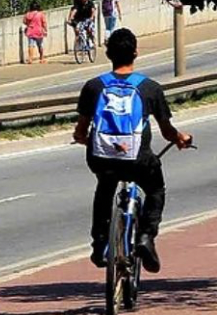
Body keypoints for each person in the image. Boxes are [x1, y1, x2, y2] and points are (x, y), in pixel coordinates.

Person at [73, 28, 192, 273]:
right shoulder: (150, 88)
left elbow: (81, 130)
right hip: (139, 159)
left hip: (102, 157)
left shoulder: (94, 87)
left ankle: (100, 243)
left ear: (108, 54)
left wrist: (85, 140)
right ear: (136, 53)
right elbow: (167, 131)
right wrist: (181, 138)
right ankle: (146, 236)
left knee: (105, 188)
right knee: (156, 189)